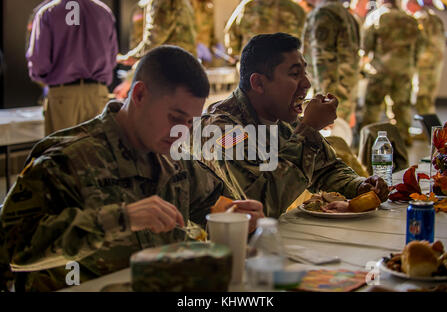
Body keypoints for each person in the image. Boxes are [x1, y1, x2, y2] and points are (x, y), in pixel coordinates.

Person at [0, 46, 264, 292]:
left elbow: (211, 204)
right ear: (138, 95)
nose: (182, 132)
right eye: (174, 117)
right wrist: (121, 219)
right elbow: (9, 250)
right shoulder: (68, 160)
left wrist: (239, 215)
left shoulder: (173, 158)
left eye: (190, 122)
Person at [197, 33, 389, 218]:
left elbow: (324, 169)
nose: (306, 83)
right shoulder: (222, 130)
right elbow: (262, 204)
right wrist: (309, 130)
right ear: (258, 83)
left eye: (305, 72)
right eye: (295, 74)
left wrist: (360, 186)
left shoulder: (281, 117)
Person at [26, 0, 118, 136]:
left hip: (63, 96)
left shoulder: (48, 13)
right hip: (98, 95)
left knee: (61, 153)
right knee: (96, 154)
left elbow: (40, 64)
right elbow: (112, 58)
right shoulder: (104, 12)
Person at [360, 0, 422, 146]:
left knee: (373, 107)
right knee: (402, 106)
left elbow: (366, 45)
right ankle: (402, 140)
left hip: (381, 71)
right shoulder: (410, 19)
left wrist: (363, 66)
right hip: (404, 71)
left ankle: (369, 140)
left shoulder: (377, 17)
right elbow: (419, 46)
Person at [115, 0, 197, 100]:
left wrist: (133, 57)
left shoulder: (162, 2)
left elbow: (154, 39)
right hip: (184, 72)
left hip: (170, 76)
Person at [302, 0, 361, 126]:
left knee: (331, 136)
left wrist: (324, 97)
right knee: (341, 133)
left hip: (331, 90)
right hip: (346, 87)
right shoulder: (346, 14)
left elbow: (322, 58)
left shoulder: (323, 13)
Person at [403, 0, 446, 115]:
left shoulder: (420, 18)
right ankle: (431, 128)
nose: (407, 10)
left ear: (412, 4)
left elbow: (419, 42)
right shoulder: (434, 17)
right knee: (429, 98)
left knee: (422, 99)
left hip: (425, 63)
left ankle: (428, 129)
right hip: (437, 62)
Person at [224, 0, 306, 59]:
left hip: (253, 64)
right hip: (286, 65)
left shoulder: (247, 6)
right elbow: (306, 37)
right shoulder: (295, 9)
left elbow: (232, 34)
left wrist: (235, 52)